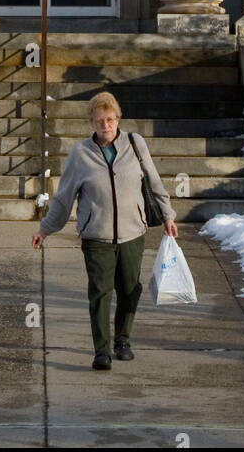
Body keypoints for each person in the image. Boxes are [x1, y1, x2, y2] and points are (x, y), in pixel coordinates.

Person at [32, 90, 178, 370]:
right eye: (99, 120)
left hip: (133, 233)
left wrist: (168, 215)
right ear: (92, 122)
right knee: (100, 292)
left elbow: (155, 182)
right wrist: (46, 229)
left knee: (129, 288)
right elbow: (63, 197)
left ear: (118, 118)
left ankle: (122, 340)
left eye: (110, 119)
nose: (105, 125)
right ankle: (102, 350)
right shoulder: (80, 153)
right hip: (96, 236)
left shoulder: (135, 144)